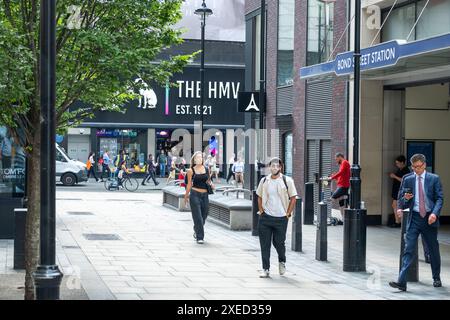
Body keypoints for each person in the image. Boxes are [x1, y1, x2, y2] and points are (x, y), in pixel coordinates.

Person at [389, 153, 443, 292]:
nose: (416, 170)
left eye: (419, 167)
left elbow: (439, 199)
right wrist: (401, 206)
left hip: (429, 219)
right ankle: (402, 281)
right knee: (408, 248)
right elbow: (402, 196)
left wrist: (434, 214)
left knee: (433, 250)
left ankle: (436, 277)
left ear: (424, 165)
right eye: (414, 167)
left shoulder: (434, 179)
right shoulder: (408, 179)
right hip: (414, 218)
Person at [256, 157, 298, 278]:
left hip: (281, 218)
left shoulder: (287, 180)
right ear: (269, 167)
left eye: (277, 166)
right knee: (265, 244)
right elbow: (259, 196)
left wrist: (288, 213)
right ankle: (266, 269)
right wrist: (261, 210)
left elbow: (293, 197)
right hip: (265, 218)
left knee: (279, 243)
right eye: (272, 166)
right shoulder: (264, 180)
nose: (274, 168)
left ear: (280, 167)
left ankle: (282, 261)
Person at [184, 151, 214, 244]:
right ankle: (200, 237)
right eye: (197, 158)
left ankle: (196, 228)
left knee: (204, 215)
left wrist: (212, 184)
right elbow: (189, 184)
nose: (199, 159)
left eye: (200, 158)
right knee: (198, 217)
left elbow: (208, 180)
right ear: (194, 159)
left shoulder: (206, 168)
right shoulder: (190, 170)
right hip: (195, 194)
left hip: (205, 195)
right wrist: (186, 196)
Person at [327, 153, 351, 220]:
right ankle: (343, 218)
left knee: (332, 198)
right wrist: (335, 178)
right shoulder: (342, 164)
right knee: (341, 201)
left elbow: (341, 172)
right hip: (341, 185)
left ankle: (323, 207)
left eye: (336, 159)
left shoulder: (345, 162)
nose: (336, 161)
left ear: (340, 157)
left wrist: (332, 177)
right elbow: (342, 175)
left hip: (343, 186)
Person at [389, 155, 411, 228]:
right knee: (395, 205)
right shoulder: (400, 169)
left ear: (402, 162)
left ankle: (398, 221)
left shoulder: (406, 170)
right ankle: (398, 221)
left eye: (398, 163)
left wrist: (394, 176)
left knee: (396, 205)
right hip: (397, 191)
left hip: (401, 191)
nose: (396, 165)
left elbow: (403, 180)